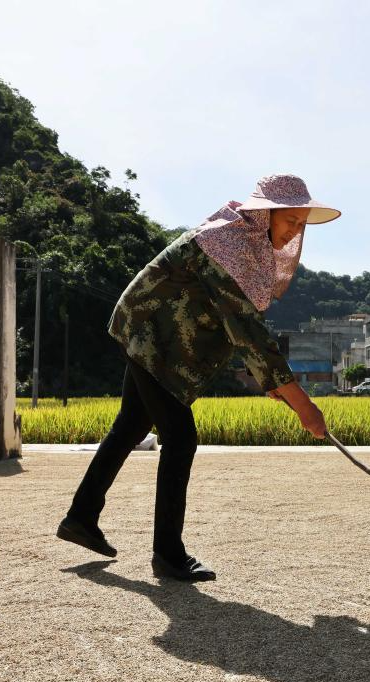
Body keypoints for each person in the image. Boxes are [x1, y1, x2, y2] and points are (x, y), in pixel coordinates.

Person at [56, 174, 339, 580]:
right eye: (290, 220)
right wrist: (303, 404)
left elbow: (239, 328)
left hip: (153, 336)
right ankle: (169, 555)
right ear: (266, 216)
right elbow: (247, 330)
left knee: (132, 424)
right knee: (181, 436)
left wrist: (272, 382)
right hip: (148, 334)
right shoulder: (229, 244)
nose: (295, 230)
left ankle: (81, 517)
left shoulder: (245, 245)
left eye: (300, 224)